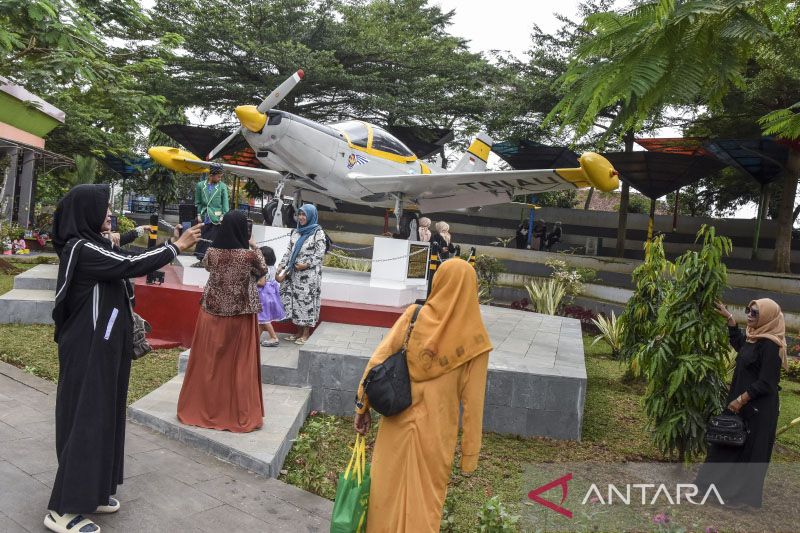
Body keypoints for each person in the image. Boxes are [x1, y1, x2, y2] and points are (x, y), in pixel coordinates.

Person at [46, 184, 200, 533]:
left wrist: (157, 239)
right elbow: (130, 264)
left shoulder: (95, 244)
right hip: (89, 347)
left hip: (104, 346)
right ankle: (64, 510)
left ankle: (93, 491)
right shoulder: (83, 249)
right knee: (86, 419)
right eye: (104, 208)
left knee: (104, 418)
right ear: (87, 212)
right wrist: (175, 248)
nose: (110, 213)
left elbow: (120, 249)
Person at [354, 258, 492, 532]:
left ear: (438, 282)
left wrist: (362, 405)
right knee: (425, 501)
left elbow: (377, 360)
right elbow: (474, 406)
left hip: (397, 420)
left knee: (386, 491)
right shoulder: (477, 343)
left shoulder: (413, 316)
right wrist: (469, 456)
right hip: (437, 434)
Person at [177, 210, 266, 433]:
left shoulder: (212, 253)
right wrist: (254, 246)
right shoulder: (249, 256)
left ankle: (200, 407)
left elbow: (207, 266)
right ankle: (236, 413)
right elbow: (263, 270)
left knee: (208, 363)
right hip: (241, 316)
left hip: (211, 312)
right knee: (238, 366)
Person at [695, 299, 787, 508]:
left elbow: (767, 383)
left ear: (767, 317)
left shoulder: (772, 345)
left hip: (758, 409)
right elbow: (741, 347)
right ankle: (708, 489)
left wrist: (741, 399)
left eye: (754, 313)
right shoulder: (753, 337)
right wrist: (729, 319)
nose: (749, 315)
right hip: (740, 403)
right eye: (748, 310)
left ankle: (745, 500)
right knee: (725, 443)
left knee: (751, 453)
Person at [276, 204, 326, 345]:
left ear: (311, 216)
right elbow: (289, 251)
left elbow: (319, 254)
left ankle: (306, 333)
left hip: (309, 276)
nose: (301, 217)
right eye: (300, 214)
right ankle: (297, 332)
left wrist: (306, 264)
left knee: (306, 303)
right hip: (293, 273)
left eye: (304, 215)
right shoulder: (296, 232)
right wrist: (281, 266)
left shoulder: (318, 232)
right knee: (295, 302)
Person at [194, 163, 230, 259]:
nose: (220, 178)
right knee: (202, 236)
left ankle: (210, 258)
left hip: (216, 217)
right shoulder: (200, 185)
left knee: (213, 238)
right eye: (218, 176)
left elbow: (225, 203)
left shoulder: (222, 186)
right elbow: (198, 202)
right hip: (204, 215)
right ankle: (200, 257)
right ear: (211, 175)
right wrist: (198, 214)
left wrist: (223, 216)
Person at [257, 245, 285, 347]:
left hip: (263, 295)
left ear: (265, 258)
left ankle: (273, 337)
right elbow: (277, 279)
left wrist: (250, 281)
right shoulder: (272, 268)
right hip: (271, 294)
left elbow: (262, 283)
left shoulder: (262, 268)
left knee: (263, 317)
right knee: (261, 318)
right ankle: (256, 338)